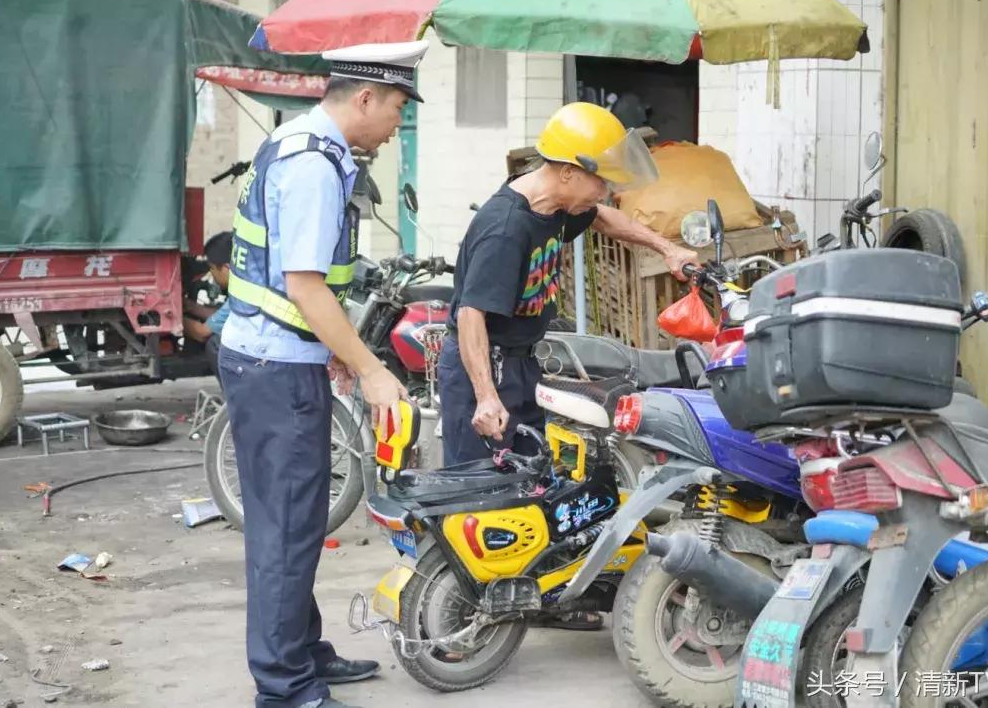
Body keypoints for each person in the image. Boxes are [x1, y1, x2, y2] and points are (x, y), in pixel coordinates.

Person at [218, 41, 428, 708]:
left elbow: (296, 286)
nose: (397, 123)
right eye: (396, 107)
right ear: (364, 97)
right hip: (275, 367)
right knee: (286, 528)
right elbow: (306, 285)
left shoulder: (300, 145)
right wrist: (369, 370)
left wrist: (333, 347)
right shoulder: (313, 166)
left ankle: (301, 653)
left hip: (273, 354)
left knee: (291, 523)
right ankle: (284, 688)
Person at [437, 102, 699, 630]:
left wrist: (666, 247)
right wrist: (486, 397)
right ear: (565, 172)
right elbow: (470, 317)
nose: (605, 190)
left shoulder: (559, 205)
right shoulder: (505, 228)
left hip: (519, 363)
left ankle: (539, 600)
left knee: (535, 486)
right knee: (478, 493)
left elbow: (602, 216)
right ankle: (463, 610)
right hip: (481, 365)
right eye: (598, 179)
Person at [182, 231, 233, 379]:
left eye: (211, 268)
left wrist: (172, 319)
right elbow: (225, 316)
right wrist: (192, 307)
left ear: (226, 267)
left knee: (215, 343)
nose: (211, 273)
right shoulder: (252, 281)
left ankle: (234, 397)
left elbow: (202, 333)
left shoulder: (241, 294)